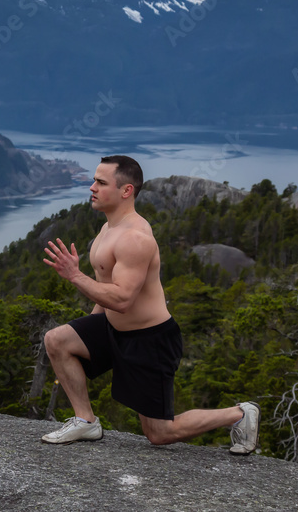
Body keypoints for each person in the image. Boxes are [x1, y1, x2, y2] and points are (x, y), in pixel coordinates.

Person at [40, 155, 259, 455]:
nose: (91, 187)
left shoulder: (135, 238)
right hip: (113, 327)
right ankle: (85, 421)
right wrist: (88, 331)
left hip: (149, 339)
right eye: (94, 180)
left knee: (159, 433)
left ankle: (240, 414)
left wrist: (75, 275)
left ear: (126, 190)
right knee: (57, 339)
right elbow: (105, 293)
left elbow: (122, 298)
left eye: (101, 183)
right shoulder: (106, 231)